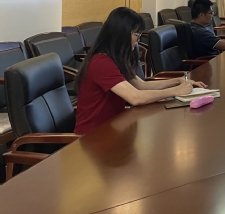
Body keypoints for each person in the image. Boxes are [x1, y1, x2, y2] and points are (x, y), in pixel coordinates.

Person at [74, 7, 207, 135]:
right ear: (122, 33)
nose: (138, 40)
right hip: (93, 137)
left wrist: (177, 81)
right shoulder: (101, 63)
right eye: (136, 34)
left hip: (114, 127)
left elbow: (141, 85)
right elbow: (135, 97)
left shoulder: (116, 58)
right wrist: (176, 91)